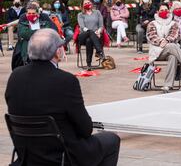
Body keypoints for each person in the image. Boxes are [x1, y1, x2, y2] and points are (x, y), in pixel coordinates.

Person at [5, 28, 120, 166]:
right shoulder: (65, 80)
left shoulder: (15, 76)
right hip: (62, 155)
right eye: (61, 46)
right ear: (57, 51)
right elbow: (85, 129)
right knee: (111, 140)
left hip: (27, 154)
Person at [146, 3, 181, 93]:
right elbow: (151, 36)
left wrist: (166, 40)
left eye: (166, 10)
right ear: (157, 12)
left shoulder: (173, 23)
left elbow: (175, 35)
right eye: (161, 10)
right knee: (172, 46)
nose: (164, 12)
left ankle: (167, 85)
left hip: (170, 50)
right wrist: (161, 41)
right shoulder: (152, 23)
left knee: (173, 56)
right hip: (157, 52)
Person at [12, 2, 56, 69]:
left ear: (38, 14)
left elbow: (48, 32)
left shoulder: (45, 21)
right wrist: (40, 32)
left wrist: (32, 33)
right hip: (27, 51)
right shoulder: (23, 22)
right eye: (29, 13)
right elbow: (23, 33)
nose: (31, 15)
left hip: (43, 48)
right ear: (26, 14)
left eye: (33, 13)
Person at [76, 0, 105, 70]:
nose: (87, 4)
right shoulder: (80, 14)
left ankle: (88, 64)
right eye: (85, 3)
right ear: (82, 5)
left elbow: (101, 26)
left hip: (94, 36)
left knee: (89, 41)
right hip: (83, 35)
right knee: (90, 32)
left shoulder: (97, 12)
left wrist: (98, 31)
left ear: (91, 3)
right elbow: (82, 27)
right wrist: (93, 32)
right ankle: (99, 51)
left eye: (88, 3)